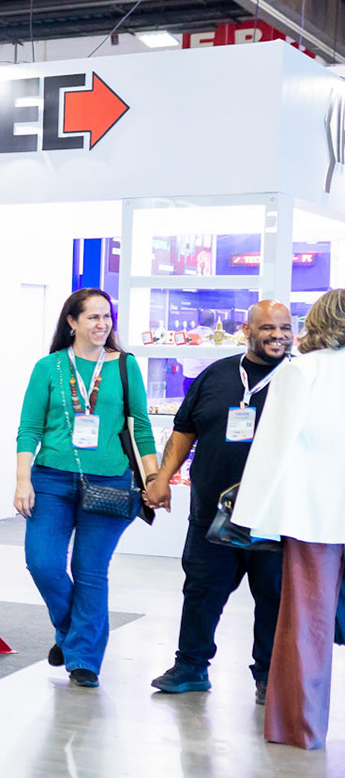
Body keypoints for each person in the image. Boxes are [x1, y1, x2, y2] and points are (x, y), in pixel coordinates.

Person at [146, 301, 294, 703]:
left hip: (273, 515)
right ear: (247, 330)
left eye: (284, 327)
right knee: (201, 590)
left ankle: (269, 677)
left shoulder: (298, 378)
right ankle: (190, 667)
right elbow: (184, 430)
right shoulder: (215, 375)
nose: (278, 335)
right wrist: (162, 478)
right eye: (268, 327)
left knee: (274, 597)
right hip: (211, 512)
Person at [15, 288, 161, 688]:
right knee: (43, 563)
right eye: (93, 317)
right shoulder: (48, 367)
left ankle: (84, 661)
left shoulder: (125, 366)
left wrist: (153, 479)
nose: (102, 324)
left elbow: (141, 428)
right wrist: (23, 479)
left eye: (107, 317)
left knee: (90, 571)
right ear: (72, 321)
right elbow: (29, 428)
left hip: (110, 481)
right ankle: (71, 634)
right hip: (51, 479)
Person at [233, 288, 345, 750]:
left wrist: (249, 517)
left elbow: (272, 448)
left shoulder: (301, 372)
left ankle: (300, 728)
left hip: (313, 516)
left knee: (306, 624)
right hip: (316, 514)